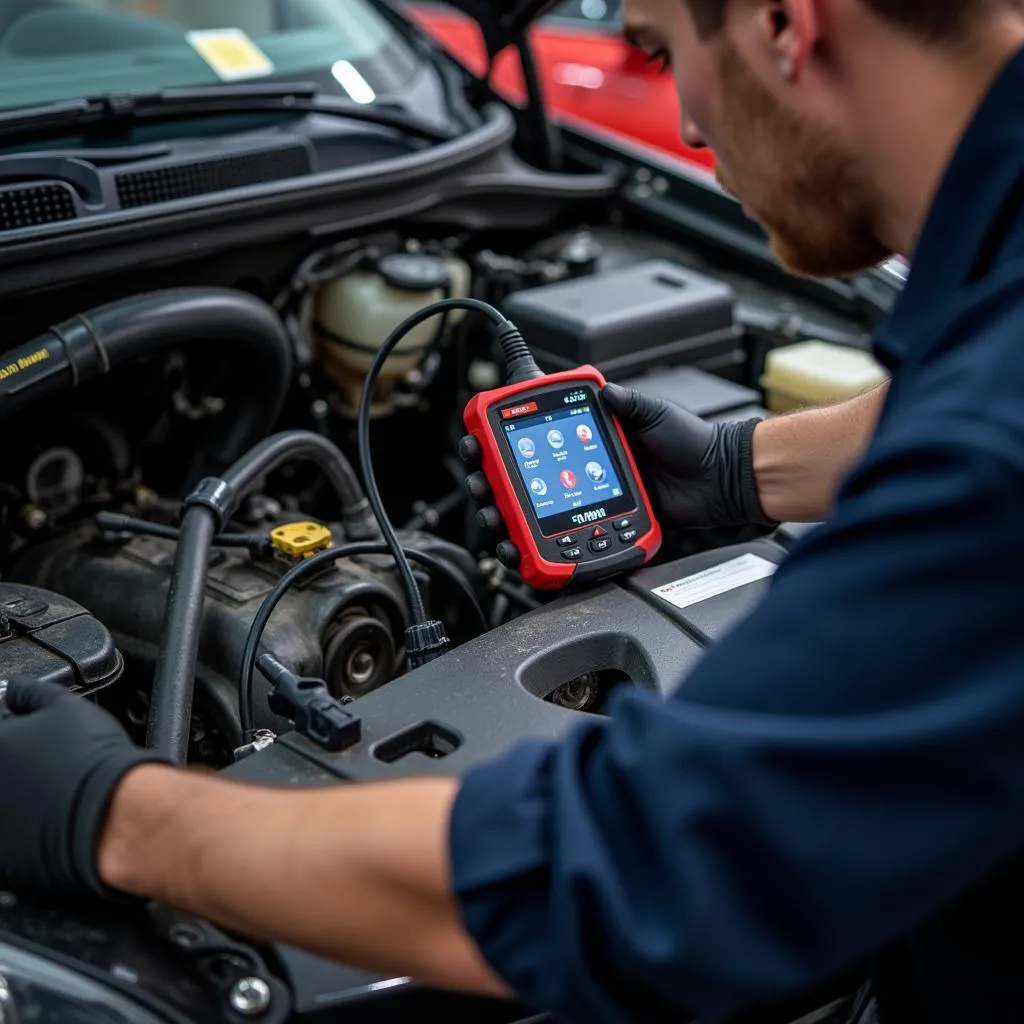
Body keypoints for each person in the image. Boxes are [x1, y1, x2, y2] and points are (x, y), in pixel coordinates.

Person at [3, 0, 1024, 1020]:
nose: (692, 132)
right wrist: (733, 466)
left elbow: (642, 866)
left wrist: (118, 815)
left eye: (662, 53)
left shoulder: (987, 457)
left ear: (781, 24)